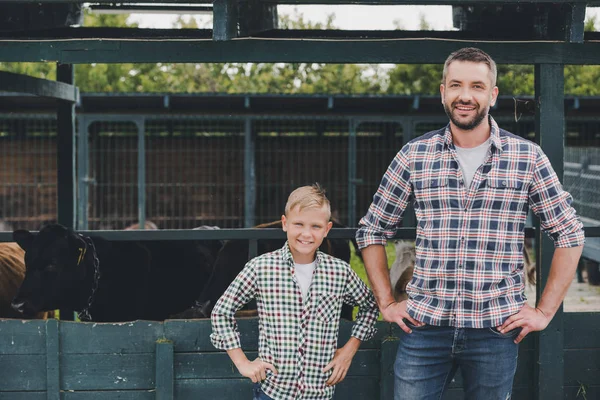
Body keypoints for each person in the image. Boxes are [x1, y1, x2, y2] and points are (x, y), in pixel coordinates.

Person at [356, 47, 585, 400]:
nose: (466, 96)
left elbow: (569, 232)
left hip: (495, 329)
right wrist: (386, 303)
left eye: (477, 86)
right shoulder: (415, 155)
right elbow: (372, 230)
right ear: (443, 91)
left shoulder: (526, 157)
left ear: (492, 95)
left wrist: (544, 311)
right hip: (424, 328)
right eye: (456, 85)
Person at [211, 184, 378, 400]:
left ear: (327, 230)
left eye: (315, 226)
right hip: (272, 392)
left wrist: (348, 351)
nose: (306, 234)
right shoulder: (261, 268)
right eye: (298, 224)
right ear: (284, 224)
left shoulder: (340, 272)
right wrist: (243, 363)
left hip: (319, 392)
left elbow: (370, 306)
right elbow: (222, 312)